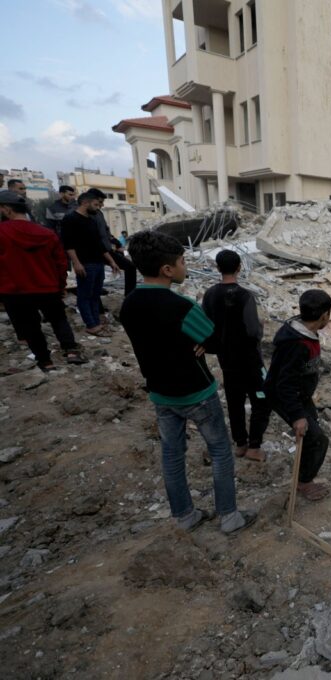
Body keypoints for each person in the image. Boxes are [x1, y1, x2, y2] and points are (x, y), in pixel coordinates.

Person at [120, 229, 256, 534]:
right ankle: (230, 517)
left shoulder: (129, 304)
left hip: (160, 393)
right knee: (220, 450)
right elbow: (213, 339)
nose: (185, 266)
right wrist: (201, 343)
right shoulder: (181, 307)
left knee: (171, 454)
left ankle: (184, 516)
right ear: (167, 269)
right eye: (182, 261)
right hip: (197, 391)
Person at [0, 190, 87, 371]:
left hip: (16, 292)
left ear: (7, 210)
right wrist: (61, 285)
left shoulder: (2, 232)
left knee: (30, 327)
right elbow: (61, 262)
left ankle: (45, 361)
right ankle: (71, 351)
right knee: (58, 319)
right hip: (47, 288)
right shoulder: (46, 233)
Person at [263, 290, 331, 501]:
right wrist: (296, 416)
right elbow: (284, 384)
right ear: (324, 315)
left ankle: (304, 475)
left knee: (312, 434)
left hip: (300, 394)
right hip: (285, 395)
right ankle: (304, 482)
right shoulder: (296, 345)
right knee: (318, 440)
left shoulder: (302, 333)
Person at [202, 250, 270, 462]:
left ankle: (240, 443)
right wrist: (260, 328)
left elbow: (205, 325)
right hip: (250, 361)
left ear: (217, 268)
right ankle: (254, 446)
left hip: (227, 361)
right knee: (261, 399)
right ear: (239, 267)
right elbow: (252, 330)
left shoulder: (210, 295)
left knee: (235, 401)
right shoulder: (245, 295)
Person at [61, 188, 119, 335]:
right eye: (96, 204)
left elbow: (99, 244)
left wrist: (111, 261)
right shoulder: (70, 219)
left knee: (94, 295)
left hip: (98, 263)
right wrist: (77, 263)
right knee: (85, 295)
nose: (98, 207)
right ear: (86, 202)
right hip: (85, 263)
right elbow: (68, 244)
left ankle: (96, 323)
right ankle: (91, 325)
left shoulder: (91, 220)